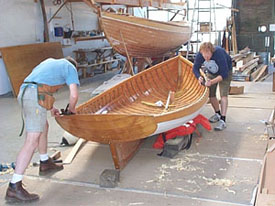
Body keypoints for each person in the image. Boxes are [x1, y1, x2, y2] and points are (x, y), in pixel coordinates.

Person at [5, 56, 80, 203]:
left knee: (44, 126)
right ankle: (14, 186)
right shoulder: (70, 67)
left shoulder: (50, 62)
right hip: (34, 96)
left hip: (27, 92)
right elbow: (74, 95)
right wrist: (71, 110)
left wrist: (51, 108)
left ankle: (44, 162)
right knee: (31, 141)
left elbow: (39, 84)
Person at [192, 42, 232, 131]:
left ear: (211, 52)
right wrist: (199, 77)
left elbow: (224, 74)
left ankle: (223, 119)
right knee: (211, 94)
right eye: (204, 56)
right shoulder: (200, 55)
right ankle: (217, 113)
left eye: (208, 55)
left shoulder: (219, 53)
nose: (206, 57)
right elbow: (195, 68)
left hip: (225, 72)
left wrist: (212, 82)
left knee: (223, 95)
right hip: (212, 73)